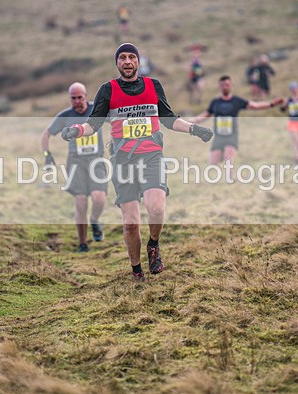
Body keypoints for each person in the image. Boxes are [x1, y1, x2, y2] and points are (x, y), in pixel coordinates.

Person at [60, 43, 213, 282]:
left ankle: (153, 245)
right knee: (131, 224)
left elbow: (169, 119)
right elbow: (93, 124)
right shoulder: (107, 90)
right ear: (117, 63)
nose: (128, 61)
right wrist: (76, 130)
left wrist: (195, 129)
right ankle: (137, 270)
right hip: (123, 162)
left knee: (157, 208)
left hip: (151, 155)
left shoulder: (154, 86)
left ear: (138, 61)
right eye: (123, 58)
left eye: (132, 57)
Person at [42, 82, 108, 253]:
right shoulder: (65, 116)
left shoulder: (97, 109)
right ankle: (82, 243)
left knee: (99, 197)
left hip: (96, 160)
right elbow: (46, 134)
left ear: (85, 96)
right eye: (73, 98)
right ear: (70, 98)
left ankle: (94, 220)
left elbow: (116, 122)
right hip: (76, 162)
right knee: (81, 203)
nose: (77, 101)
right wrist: (47, 156)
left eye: (80, 97)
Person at [190, 75, 284, 180]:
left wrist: (271, 104)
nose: (225, 87)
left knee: (228, 158)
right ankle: (223, 174)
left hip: (231, 136)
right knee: (212, 164)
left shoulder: (237, 101)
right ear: (219, 87)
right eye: (222, 85)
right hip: (218, 137)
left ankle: (231, 180)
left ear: (231, 86)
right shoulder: (215, 103)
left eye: (227, 84)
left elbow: (255, 106)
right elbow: (205, 115)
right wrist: (190, 121)